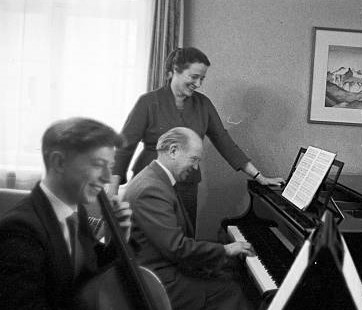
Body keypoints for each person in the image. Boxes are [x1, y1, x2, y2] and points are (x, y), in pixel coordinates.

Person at [110, 46, 284, 232]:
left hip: (186, 187)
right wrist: (112, 190)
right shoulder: (148, 102)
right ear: (173, 72)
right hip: (149, 184)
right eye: (194, 77)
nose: (199, 84)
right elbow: (124, 146)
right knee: (148, 244)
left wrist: (260, 176)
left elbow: (225, 143)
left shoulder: (204, 104)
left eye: (202, 78)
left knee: (183, 240)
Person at [0, 117, 132, 309]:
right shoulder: (19, 230)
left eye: (109, 167)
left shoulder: (76, 213)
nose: (106, 178)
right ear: (59, 162)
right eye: (97, 164)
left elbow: (88, 268)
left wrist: (118, 239)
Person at [124, 127, 255, 310]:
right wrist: (225, 250)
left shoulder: (155, 178)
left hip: (162, 264)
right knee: (231, 290)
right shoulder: (151, 189)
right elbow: (176, 247)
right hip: (158, 280)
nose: (195, 167)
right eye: (194, 159)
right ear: (173, 151)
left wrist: (221, 253)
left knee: (230, 272)